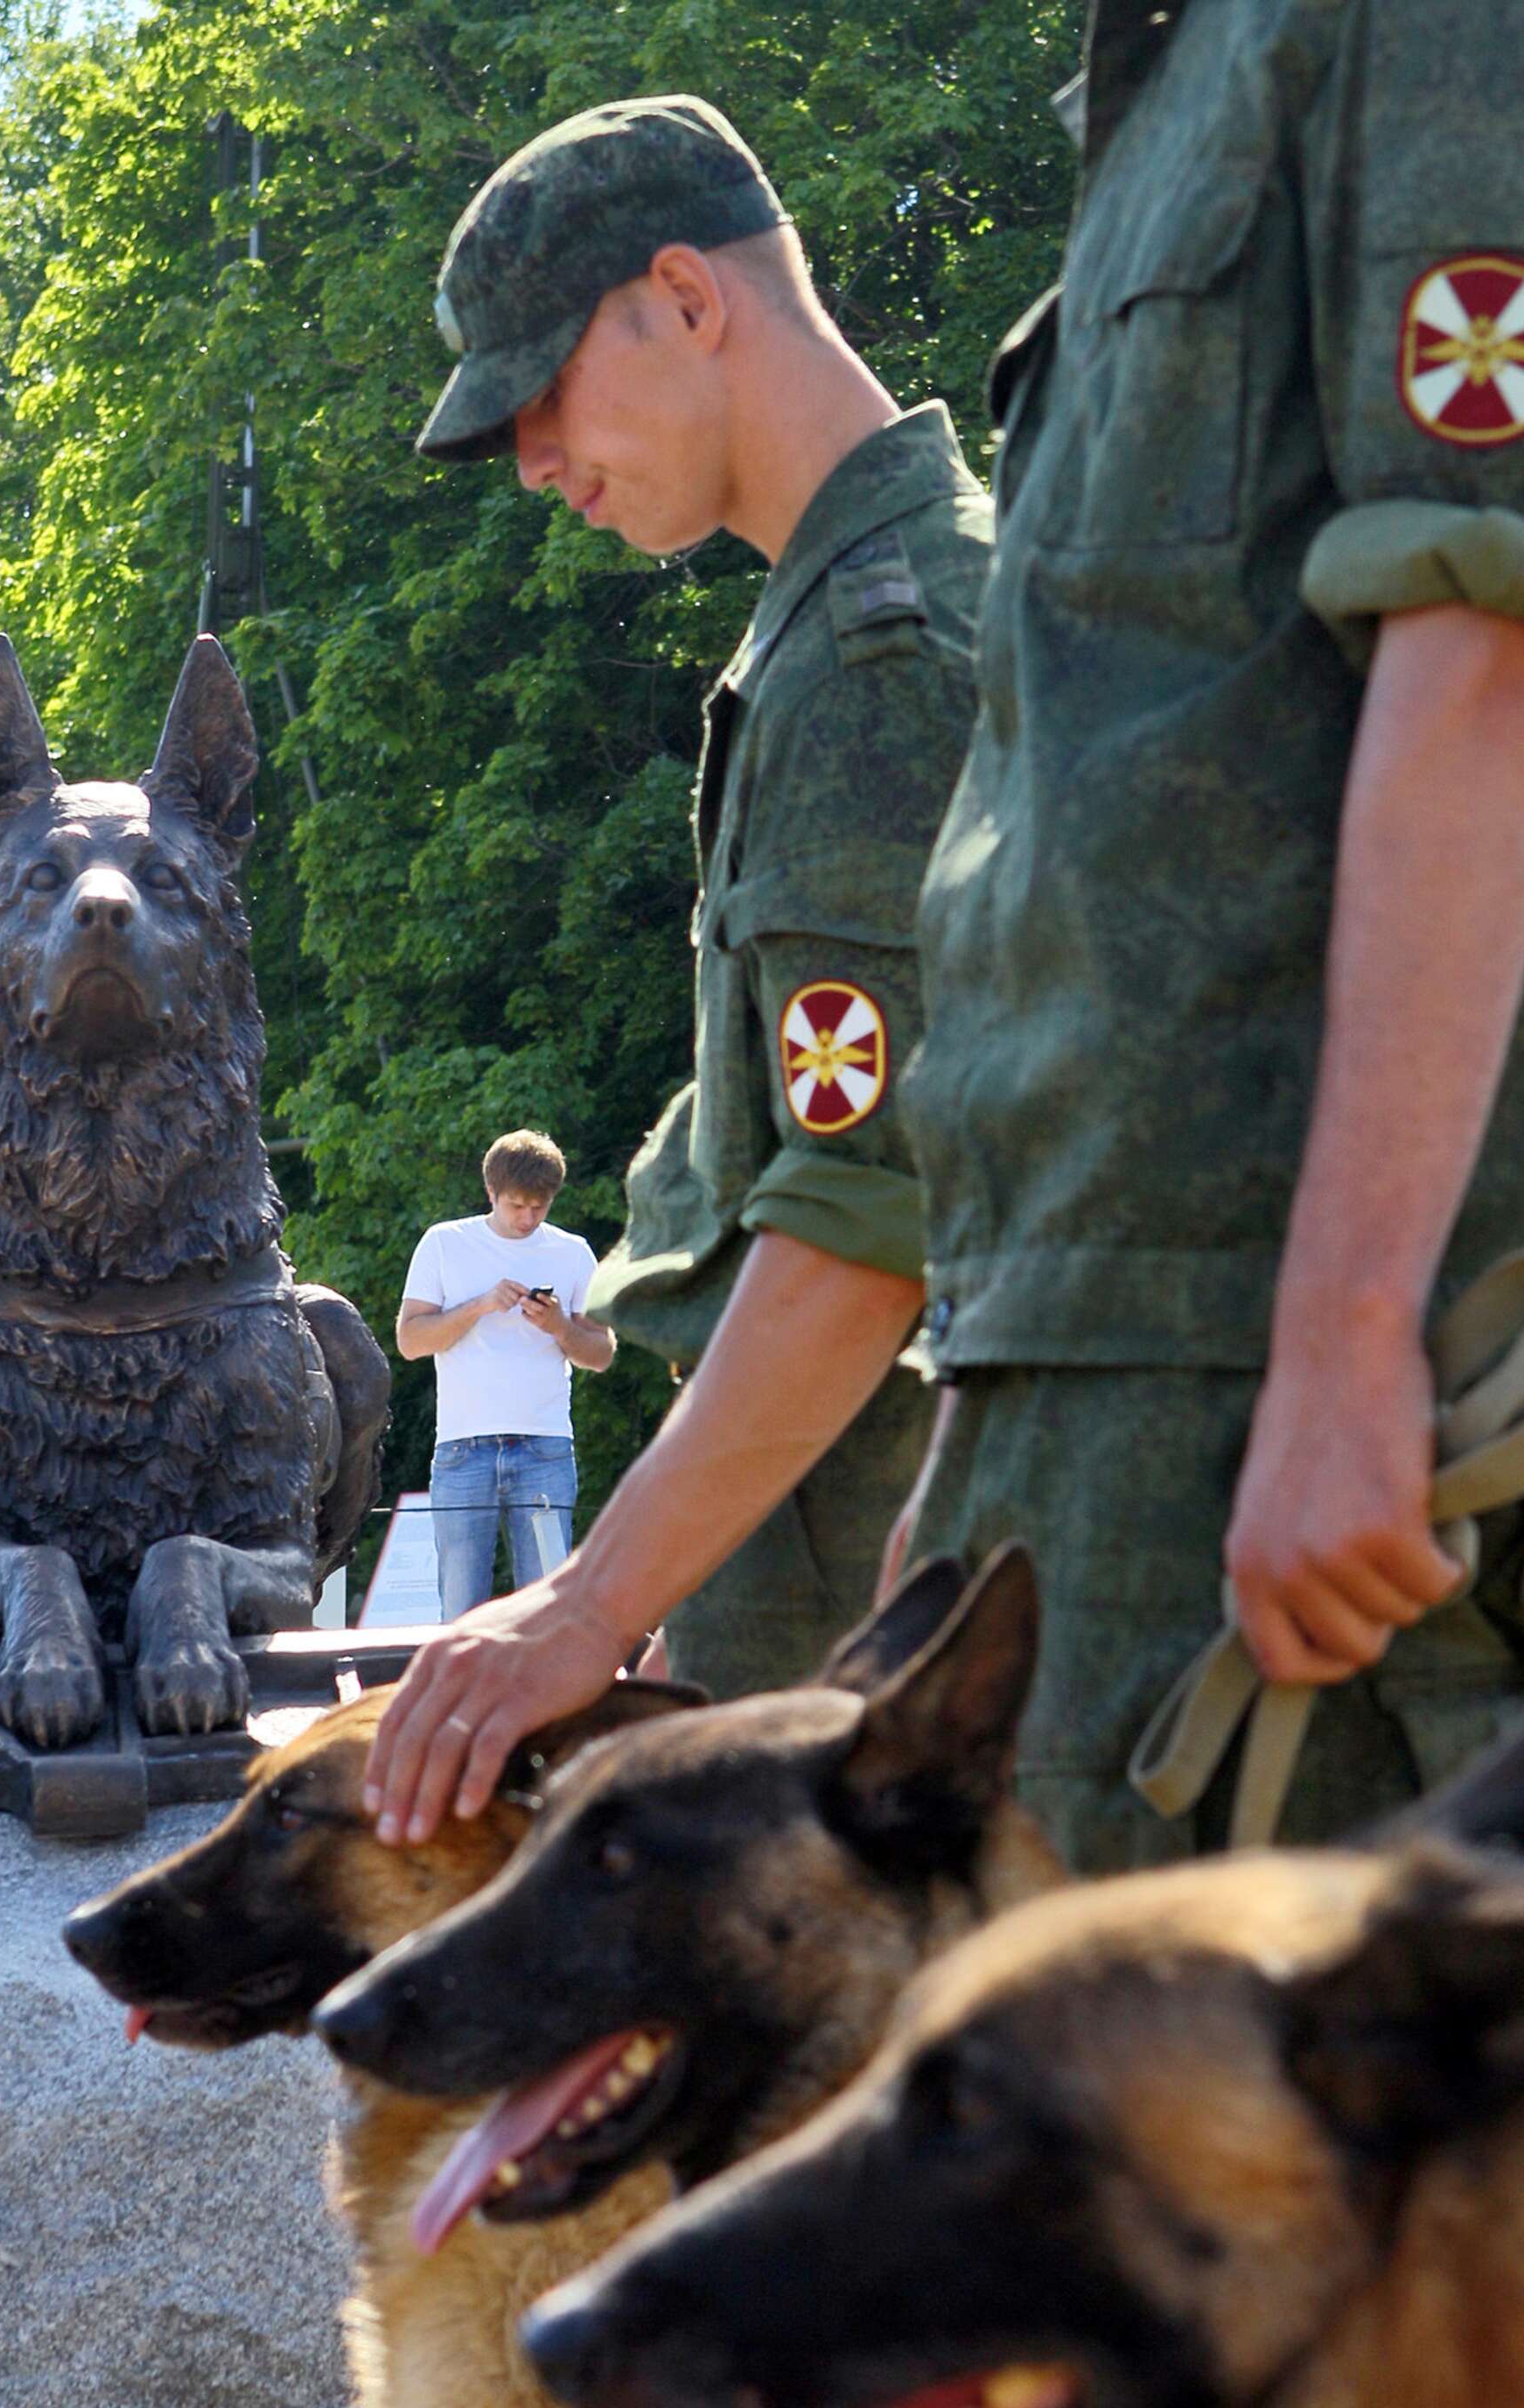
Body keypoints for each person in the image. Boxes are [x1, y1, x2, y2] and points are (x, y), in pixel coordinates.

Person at [886, 0, 1524, 1872]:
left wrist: (1347, 1340)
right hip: (1108, 1361)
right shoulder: (1175, 69)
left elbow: (1477, 646)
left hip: (1298, 1388)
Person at [365, 95, 991, 1843]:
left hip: (880, 1618)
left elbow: (864, 1236)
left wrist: (579, 1603)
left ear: (685, 299)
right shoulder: (880, 603)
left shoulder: (879, 655)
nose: (533, 464)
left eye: (541, 394)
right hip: (841, 1570)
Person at [397, 1130, 613, 1618]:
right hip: (461, 1451)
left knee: (545, 1610)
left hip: (545, 1450)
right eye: (517, 1205)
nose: (529, 1218)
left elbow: (600, 1354)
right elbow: (410, 1341)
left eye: (540, 1207)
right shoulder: (444, 1243)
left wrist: (559, 1326)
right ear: (491, 1192)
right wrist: (478, 1306)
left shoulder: (573, 1251)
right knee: (460, 1611)